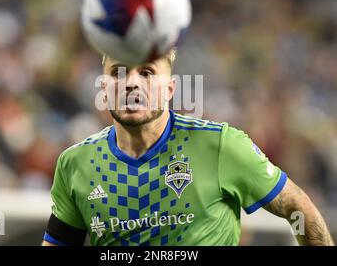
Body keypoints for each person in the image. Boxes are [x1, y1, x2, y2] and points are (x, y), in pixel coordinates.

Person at [42, 50, 334, 246]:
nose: (131, 83)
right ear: (104, 88)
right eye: (118, 72)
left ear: (169, 89)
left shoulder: (218, 145)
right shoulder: (76, 163)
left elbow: (297, 205)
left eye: (146, 73)